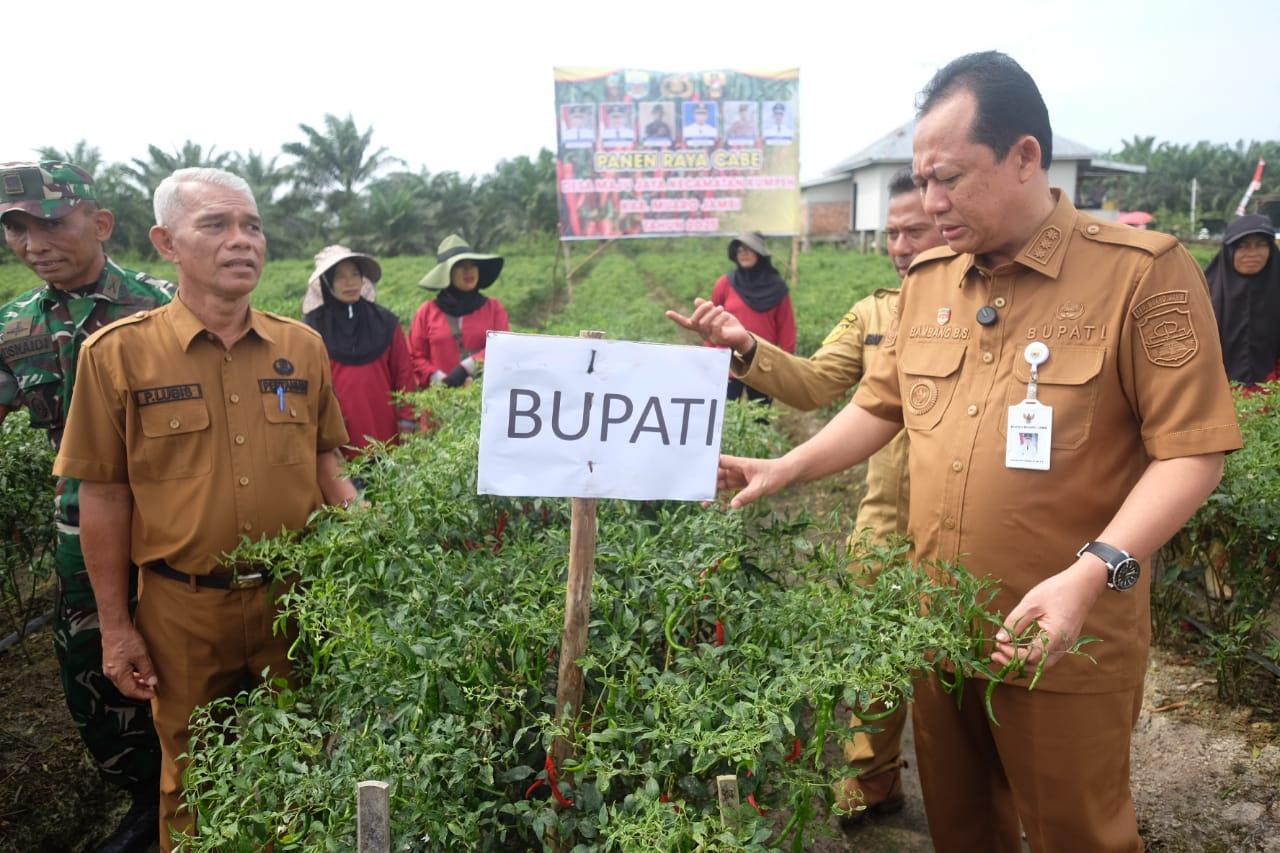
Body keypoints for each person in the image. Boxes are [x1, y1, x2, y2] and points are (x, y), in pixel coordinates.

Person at [717, 52, 1241, 852]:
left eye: (950, 178)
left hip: (1067, 636)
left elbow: (1192, 453)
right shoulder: (931, 281)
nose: (930, 203)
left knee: (1079, 833)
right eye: (922, 181)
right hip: (942, 629)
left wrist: (1090, 571)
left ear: (1025, 156)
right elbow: (878, 405)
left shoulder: (1139, 275)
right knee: (963, 829)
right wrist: (786, 466)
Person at [52, 167, 356, 850]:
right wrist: (115, 627)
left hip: (295, 602)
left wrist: (372, 538)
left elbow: (325, 463)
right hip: (181, 611)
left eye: (251, 226)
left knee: (305, 761)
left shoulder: (300, 346)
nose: (241, 240)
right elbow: (101, 494)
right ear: (166, 241)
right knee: (192, 779)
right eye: (216, 225)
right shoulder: (118, 355)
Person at [667, 169, 944, 823]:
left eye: (917, 230)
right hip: (885, 515)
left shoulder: (995, 315)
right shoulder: (876, 313)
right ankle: (872, 783)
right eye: (893, 231)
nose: (901, 246)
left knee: (950, 670)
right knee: (874, 655)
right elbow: (816, 382)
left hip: (966, 523)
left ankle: (971, 799)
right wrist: (746, 346)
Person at [0, 160, 170, 852]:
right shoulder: (14, 328)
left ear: (100, 223)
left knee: (178, 653)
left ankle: (191, 790)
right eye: (18, 228)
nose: (34, 241)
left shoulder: (160, 306)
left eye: (50, 222)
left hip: (166, 516)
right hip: (78, 528)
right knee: (90, 673)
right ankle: (141, 796)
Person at [302, 244, 417, 458]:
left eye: (355, 274)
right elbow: (309, 381)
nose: (350, 282)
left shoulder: (385, 321)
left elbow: (404, 375)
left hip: (386, 431)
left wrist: (408, 421)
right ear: (327, 282)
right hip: (338, 435)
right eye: (340, 276)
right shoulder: (314, 325)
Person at [409, 234, 511, 388]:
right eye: (460, 266)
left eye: (472, 265)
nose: (469, 271)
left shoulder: (494, 308)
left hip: (482, 400)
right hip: (439, 403)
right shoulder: (427, 312)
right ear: (446, 273)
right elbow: (415, 356)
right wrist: (438, 378)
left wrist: (468, 367)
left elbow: (503, 347)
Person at [705, 232, 796, 404]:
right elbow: (711, 320)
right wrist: (711, 355)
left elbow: (786, 328)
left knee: (760, 420)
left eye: (749, 249)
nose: (743, 253)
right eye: (739, 250)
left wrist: (784, 369)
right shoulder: (725, 283)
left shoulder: (777, 287)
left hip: (763, 364)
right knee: (727, 418)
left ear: (759, 254)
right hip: (728, 363)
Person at [1204, 213, 1280, 384]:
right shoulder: (1204, 291)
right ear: (1229, 250)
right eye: (1243, 246)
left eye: (1261, 245)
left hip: (1272, 392)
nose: (1253, 253)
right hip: (1218, 387)